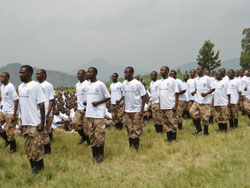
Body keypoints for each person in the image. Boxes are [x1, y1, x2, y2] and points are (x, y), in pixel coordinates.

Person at [18, 65, 46, 176]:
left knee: (37, 148)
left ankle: (40, 170)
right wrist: (21, 121)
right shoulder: (20, 87)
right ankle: (33, 169)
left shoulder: (36, 86)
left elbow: (42, 105)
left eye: (22, 73)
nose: (20, 75)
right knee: (28, 148)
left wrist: (42, 122)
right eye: (19, 73)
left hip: (35, 123)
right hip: (25, 123)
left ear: (29, 73)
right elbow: (21, 106)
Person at [117, 67, 146, 151]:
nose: (125, 74)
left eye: (127, 73)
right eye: (124, 72)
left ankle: (136, 148)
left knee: (136, 129)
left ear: (132, 73)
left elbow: (144, 96)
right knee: (129, 129)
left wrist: (142, 110)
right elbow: (124, 95)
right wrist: (120, 102)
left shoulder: (137, 83)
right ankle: (131, 147)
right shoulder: (124, 83)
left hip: (136, 110)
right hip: (127, 111)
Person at [85, 67, 110, 163]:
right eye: (88, 71)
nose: (88, 73)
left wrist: (98, 102)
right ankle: (94, 155)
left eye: (90, 72)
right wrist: (86, 102)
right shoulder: (88, 85)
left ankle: (100, 156)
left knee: (99, 135)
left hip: (98, 114)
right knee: (91, 135)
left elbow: (107, 97)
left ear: (95, 73)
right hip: (89, 114)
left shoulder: (100, 84)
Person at [190, 66, 215, 135]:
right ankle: (198, 128)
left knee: (205, 118)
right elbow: (196, 89)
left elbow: (213, 88)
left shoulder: (208, 79)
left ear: (203, 70)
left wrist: (206, 93)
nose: (198, 70)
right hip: (197, 100)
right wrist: (194, 92)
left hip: (205, 101)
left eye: (199, 69)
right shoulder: (196, 79)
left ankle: (206, 132)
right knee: (192, 111)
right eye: (197, 69)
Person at [36, 69, 55, 154]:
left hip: (47, 112)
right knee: (43, 132)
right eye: (36, 74)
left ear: (44, 75)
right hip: (39, 112)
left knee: (44, 132)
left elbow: (51, 100)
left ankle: (47, 151)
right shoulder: (36, 85)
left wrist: (48, 114)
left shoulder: (48, 85)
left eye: (39, 74)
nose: (37, 76)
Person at [159, 66, 179, 142]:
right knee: (166, 124)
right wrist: (159, 105)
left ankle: (174, 140)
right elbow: (160, 95)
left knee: (173, 123)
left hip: (171, 106)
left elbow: (177, 93)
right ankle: (169, 140)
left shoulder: (172, 81)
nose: (161, 71)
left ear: (167, 71)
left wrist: (175, 105)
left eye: (162, 70)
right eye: (160, 70)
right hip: (163, 107)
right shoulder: (160, 82)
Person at [0, 72, 19, 153]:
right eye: (0, 77)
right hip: (3, 111)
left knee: (9, 131)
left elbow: (16, 100)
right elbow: (3, 99)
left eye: (3, 77)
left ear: (7, 77)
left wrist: (14, 114)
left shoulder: (11, 87)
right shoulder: (2, 87)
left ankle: (13, 148)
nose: (1, 78)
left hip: (10, 113)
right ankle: (7, 140)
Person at [72, 70, 90, 145]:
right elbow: (79, 96)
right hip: (79, 108)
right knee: (75, 123)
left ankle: (89, 142)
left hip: (86, 109)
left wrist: (88, 104)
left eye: (80, 74)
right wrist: (76, 104)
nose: (78, 75)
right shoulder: (77, 84)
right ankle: (84, 137)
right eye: (77, 74)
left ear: (85, 75)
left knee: (86, 127)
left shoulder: (87, 84)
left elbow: (90, 95)